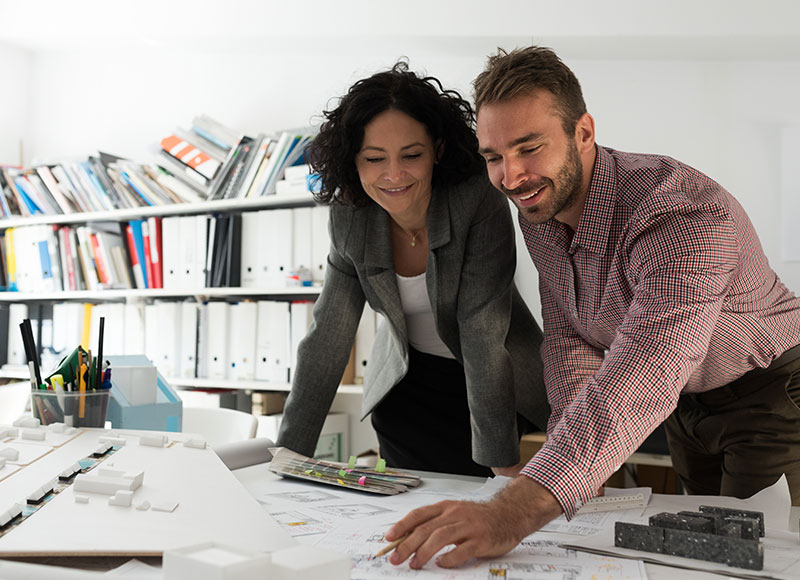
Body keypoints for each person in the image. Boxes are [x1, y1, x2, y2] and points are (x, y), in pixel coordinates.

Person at [385, 46, 800, 569]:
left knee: (761, 560)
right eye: (493, 157)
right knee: (697, 561)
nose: (511, 178)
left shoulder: (683, 211)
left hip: (772, 394)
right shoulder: (541, 211)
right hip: (688, 407)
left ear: (582, 133)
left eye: (528, 148)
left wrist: (518, 508)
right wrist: (582, 469)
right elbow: (569, 339)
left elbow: (647, 366)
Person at [276, 61, 550, 478]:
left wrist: (504, 471)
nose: (393, 174)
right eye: (373, 158)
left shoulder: (476, 198)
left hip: (491, 384)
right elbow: (327, 335)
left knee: (486, 514)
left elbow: (481, 330)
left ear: (437, 150)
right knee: (413, 515)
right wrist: (287, 458)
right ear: (354, 160)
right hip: (406, 389)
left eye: (412, 155)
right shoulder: (351, 215)